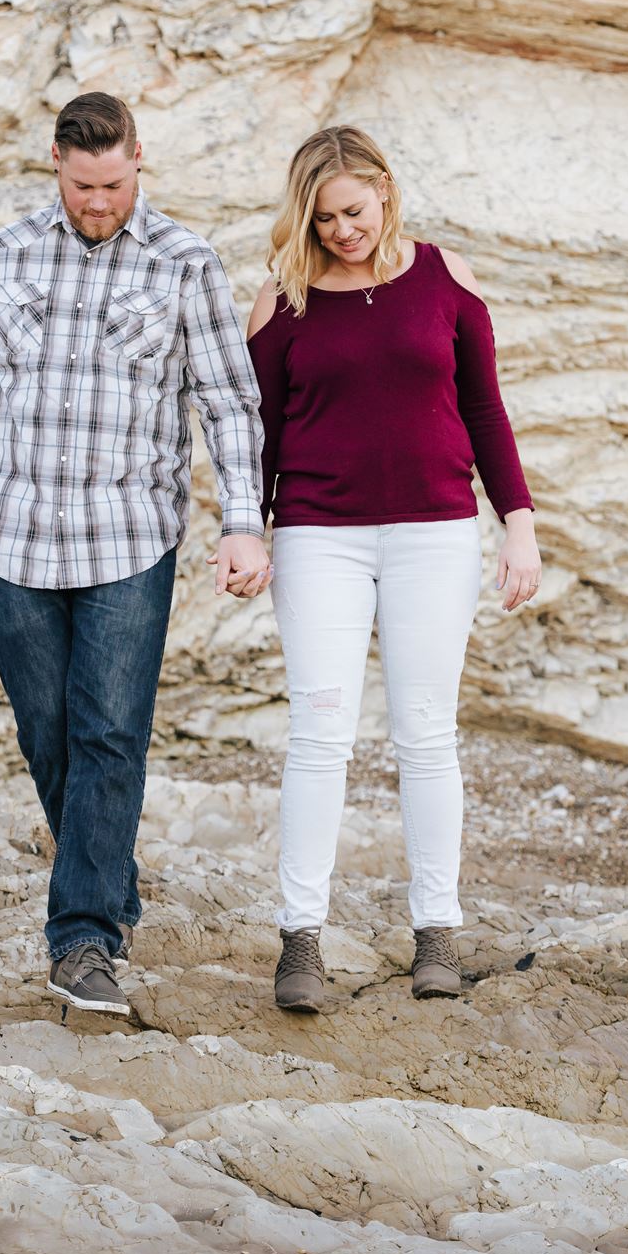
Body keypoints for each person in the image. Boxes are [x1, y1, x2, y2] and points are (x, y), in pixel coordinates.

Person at [0, 92, 271, 1018]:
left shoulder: (184, 262)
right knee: (50, 736)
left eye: (112, 184)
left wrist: (241, 518)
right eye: (81, 186)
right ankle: (107, 877)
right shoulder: (7, 253)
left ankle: (82, 940)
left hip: (128, 537)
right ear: (56, 167)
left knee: (109, 734)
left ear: (137, 160)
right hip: (17, 537)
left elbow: (228, 401)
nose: (97, 202)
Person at [247, 125, 541, 1012]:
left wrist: (516, 525)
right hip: (317, 536)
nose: (342, 230)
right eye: (324, 216)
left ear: (383, 189)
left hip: (434, 536)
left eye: (354, 209)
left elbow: (484, 410)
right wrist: (245, 529)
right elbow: (252, 435)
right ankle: (299, 941)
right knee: (320, 733)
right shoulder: (281, 303)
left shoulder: (446, 280)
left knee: (424, 731)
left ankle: (436, 933)